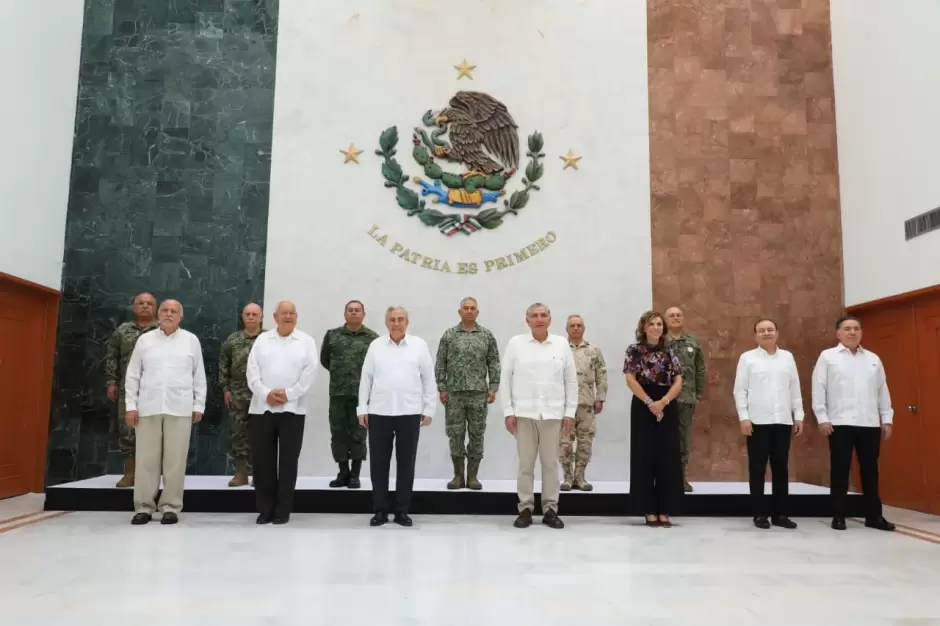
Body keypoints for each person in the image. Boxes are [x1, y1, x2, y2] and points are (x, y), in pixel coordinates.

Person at [124, 299, 206, 526]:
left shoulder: (191, 341)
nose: (169, 314)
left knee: (175, 461)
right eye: (165, 311)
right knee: (146, 461)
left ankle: (171, 506)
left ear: (181, 316)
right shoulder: (145, 340)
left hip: (180, 408)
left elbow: (199, 376)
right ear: (159, 315)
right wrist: (131, 406)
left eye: (174, 311)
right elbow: (132, 375)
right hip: (148, 408)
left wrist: (198, 405)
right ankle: (143, 507)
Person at [812, 316, 895, 532]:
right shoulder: (828, 357)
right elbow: (818, 388)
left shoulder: (873, 359)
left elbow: (882, 390)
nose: (852, 332)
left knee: (870, 471)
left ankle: (874, 516)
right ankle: (838, 516)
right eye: (847, 328)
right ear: (838, 333)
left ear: (861, 332)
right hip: (839, 423)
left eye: (856, 328)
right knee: (840, 470)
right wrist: (822, 417)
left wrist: (886, 418)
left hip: (869, 423)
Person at [358, 306, 436, 527]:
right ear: (386, 323)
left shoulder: (419, 346)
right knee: (378, 464)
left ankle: (402, 510)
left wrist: (429, 408)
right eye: (392, 319)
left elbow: (428, 379)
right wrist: (362, 408)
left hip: (409, 412)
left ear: (407, 322)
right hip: (379, 412)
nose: (396, 323)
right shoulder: (376, 346)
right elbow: (366, 378)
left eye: (401, 319)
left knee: (406, 463)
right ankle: (380, 510)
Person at [501, 303, 577, 530]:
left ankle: (550, 509)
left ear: (550, 320)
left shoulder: (562, 345)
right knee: (525, 464)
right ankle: (525, 508)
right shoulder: (516, 344)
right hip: (524, 414)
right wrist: (508, 411)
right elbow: (505, 379)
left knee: (550, 464)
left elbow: (571, 381)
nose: (539, 319)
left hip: (553, 414)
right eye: (534, 316)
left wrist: (569, 412)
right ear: (527, 320)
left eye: (543, 315)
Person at [246, 301, 318, 525]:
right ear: (275, 317)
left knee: (288, 462)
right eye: (283, 313)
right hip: (262, 409)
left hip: (293, 410)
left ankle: (282, 511)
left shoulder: (306, 342)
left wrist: (288, 394)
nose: (288, 317)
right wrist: (266, 393)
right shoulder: (262, 340)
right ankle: (265, 509)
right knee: (263, 462)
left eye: (291, 313)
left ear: (296, 317)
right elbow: (252, 371)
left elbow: (310, 373)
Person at [733, 318, 803, 530]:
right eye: (761, 330)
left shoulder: (787, 358)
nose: (766, 333)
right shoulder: (748, 358)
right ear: (755, 336)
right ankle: (759, 514)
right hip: (757, 422)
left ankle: (780, 514)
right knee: (757, 469)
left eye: (770, 329)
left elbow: (795, 389)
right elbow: (740, 390)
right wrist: (744, 417)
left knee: (781, 469)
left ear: (777, 333)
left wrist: (798, 415)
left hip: (782, 420)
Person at [435, 296, 500, 490]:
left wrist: (493, 386)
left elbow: (494, 361)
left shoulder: (486, 335)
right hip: (454, 394)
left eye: (473, 308)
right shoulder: (449, 335)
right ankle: (457, 476)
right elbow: (440, 362)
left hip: (478, 393)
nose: (469, 311)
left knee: (476, 434)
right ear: (460, 312)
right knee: (455, 434)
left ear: (477, 312)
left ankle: (473, 476)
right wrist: (442, 387)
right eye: (466, 308)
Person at [625, 310, 683, 528]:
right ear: (644, 328)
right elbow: (630, 379)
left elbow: (678, 381)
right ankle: (648, 509)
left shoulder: (670, 350)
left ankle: (665, 508)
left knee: (667, 456)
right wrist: (650, 402)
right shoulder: (634, 350)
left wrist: (664, 402)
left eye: (659, 324)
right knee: (645, 455)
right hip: (643, 403)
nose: (656, 327)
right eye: (652, 324)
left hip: (667, 403)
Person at [320, 300, 378, 489]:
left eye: (357, 310)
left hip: (362, 396)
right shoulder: (332, 336)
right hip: (338, 393)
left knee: (359, 434)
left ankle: (355, 474)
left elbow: (377, 367)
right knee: (338, 434)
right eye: (350, 310)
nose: (354, 313)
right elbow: (325, 359)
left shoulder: (373, 339)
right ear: (345, 314)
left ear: (363, 314)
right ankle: (343, 472)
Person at [104, 292, 158, 487]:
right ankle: (130, 473)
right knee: (127, 431)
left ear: (155, 308)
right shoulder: (122, 331)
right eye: (141, 303)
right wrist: (111, 381)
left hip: (155, 390)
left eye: (149, 303)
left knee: (154, 433)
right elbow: (112, 357)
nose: (145, 306)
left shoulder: (162, 330)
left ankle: (150, 476)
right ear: (134, 307)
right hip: (128, 389)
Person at [559, 314, 608, 491]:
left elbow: (601, 374)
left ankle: (580, 476)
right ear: (567, 329)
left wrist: (600, 397)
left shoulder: (593, 350)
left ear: (584, 328)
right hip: (564, 406)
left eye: (579, 325)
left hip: (586, 404)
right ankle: (567, 477)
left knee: (585, 442)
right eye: (572, 325)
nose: (576, 328)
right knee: (564, 442)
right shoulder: (559, 349)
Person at [218, 303, 264, 487]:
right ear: (242, 317)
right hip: (238, 395)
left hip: (262, 395)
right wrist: (226, 389)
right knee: (239, 435)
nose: (251, 317)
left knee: (262, 436)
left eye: (255, 314)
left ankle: (260, 475)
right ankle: (241, 473)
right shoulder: (232, 340)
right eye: (248, 314)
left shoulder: (269, 339)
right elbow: (223, 366)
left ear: (261, 317)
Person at [665, 306, 706, 492]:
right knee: (663, 438)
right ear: (666, 320)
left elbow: (700, 369)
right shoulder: (660, 342)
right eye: (671, 316)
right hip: (663, 398)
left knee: (683, 438)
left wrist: (697, 393)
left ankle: (681, 477)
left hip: (686, 398)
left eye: (678, 315)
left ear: (683, 318)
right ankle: (663, 477)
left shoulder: (693, 342)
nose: (675, 318)